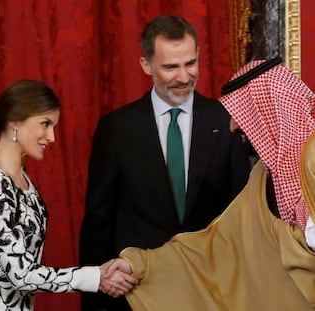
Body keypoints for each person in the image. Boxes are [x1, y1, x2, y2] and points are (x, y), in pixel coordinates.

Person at [111, 57, 315, 310]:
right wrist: (141, 264)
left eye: (243, 113)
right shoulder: (261, 175)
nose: (232, 126)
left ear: (270, 109)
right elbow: (219, 245)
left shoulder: (313, 159)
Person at [79, 15, 251, 310]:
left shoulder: (227, 121)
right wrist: (95, 290)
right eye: (170, 67)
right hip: (137, 293)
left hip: (210, 290)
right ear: (146, 65)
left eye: (190, 63)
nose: (183, 77)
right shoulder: (117, 128)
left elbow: (242, 212)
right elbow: (98, 220)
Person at [0, 80, 138, 311]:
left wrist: (97, 276)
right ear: (15, 121)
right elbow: (21, 274)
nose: (51, 137)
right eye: (45, 124)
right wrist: (95, 277)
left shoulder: (20, 178)